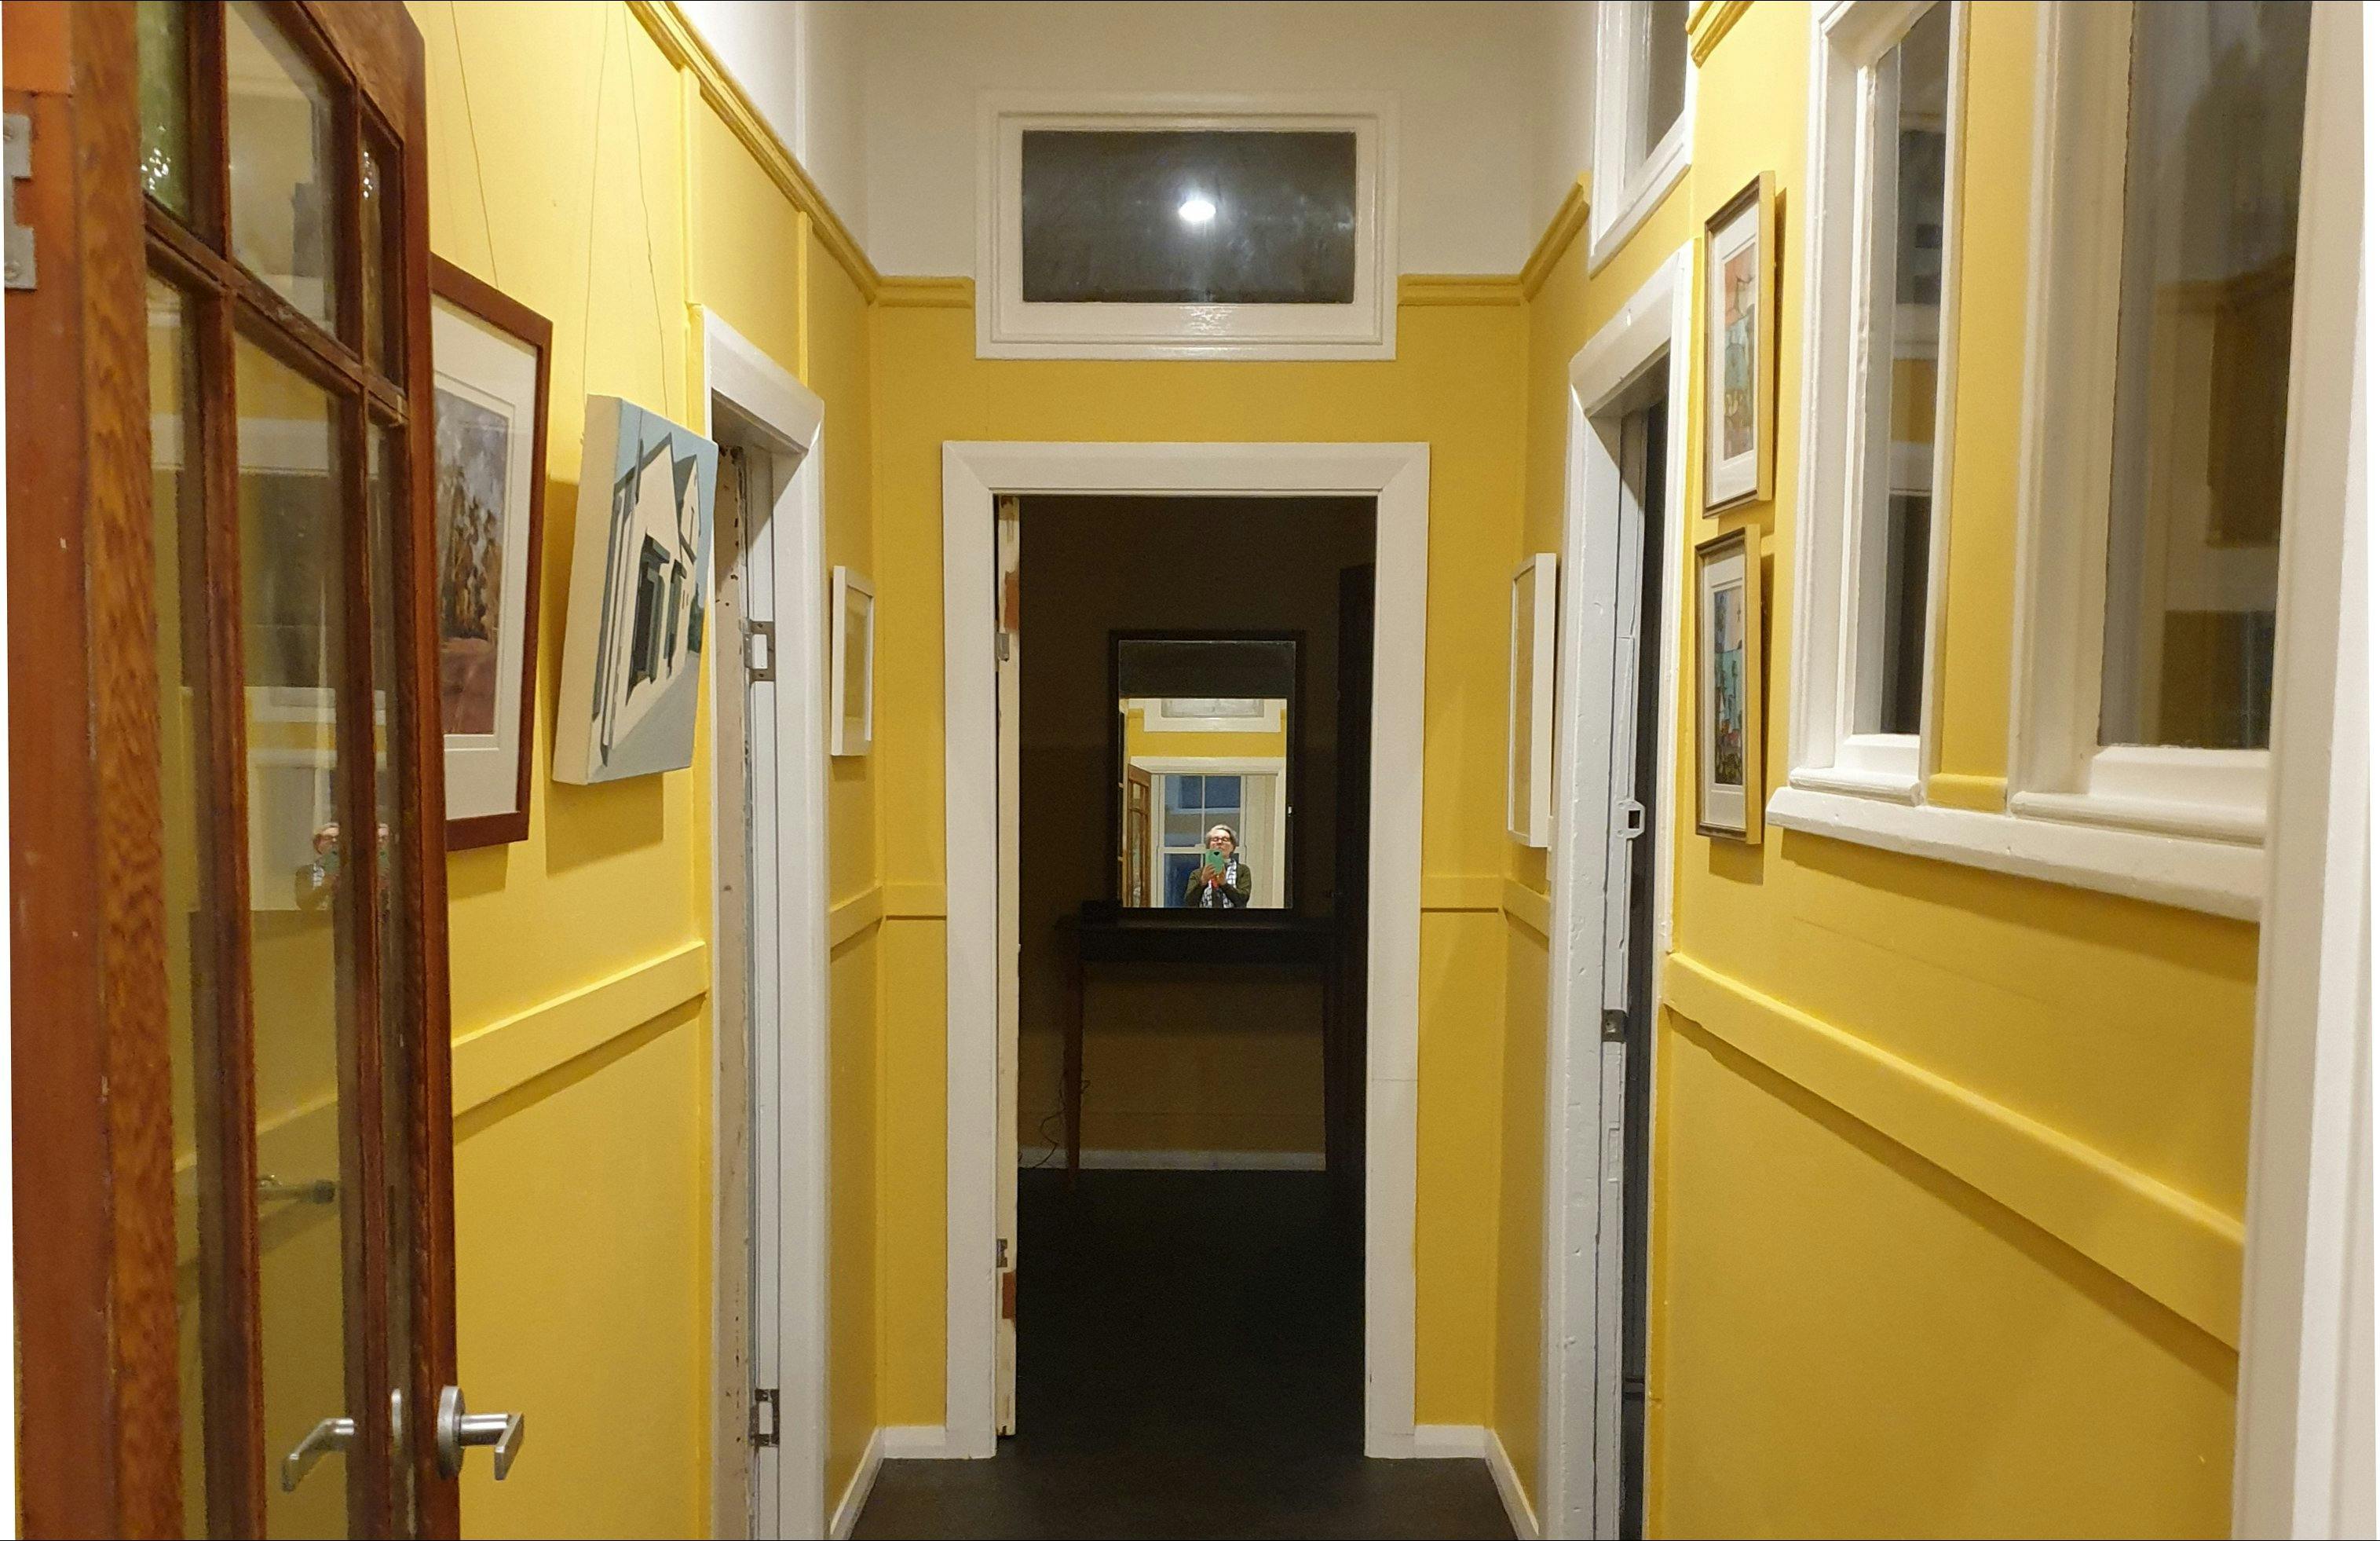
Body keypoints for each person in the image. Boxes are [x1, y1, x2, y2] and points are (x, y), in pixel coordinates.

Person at [1185, 823, 1253, 909]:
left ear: (1233, 847)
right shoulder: (1197, 874)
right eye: (1215, 839)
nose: (1220, 842)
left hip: (1234, 920)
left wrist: (1224, 884)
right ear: (1209, 846)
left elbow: (1243, 900)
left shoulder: (1242, 870)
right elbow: (1189, 902)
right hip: (1205, 920)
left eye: (1225, 839)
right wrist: (1203, 882)